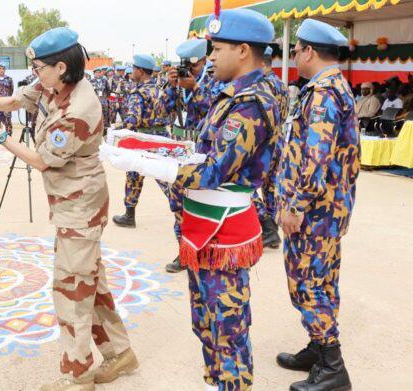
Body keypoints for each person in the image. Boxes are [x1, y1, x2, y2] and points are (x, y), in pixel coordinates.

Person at [102, 9, 280, 390]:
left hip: (223, 227)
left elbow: (213, 169)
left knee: (226, 328)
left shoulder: (251, 102)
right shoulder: (233, 92)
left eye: (217, 49)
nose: (210, 58)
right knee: (206, 322)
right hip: (204, 224)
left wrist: (144, 162)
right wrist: (155, 148)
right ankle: (215, 382)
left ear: (244, 51)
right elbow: (201, 149)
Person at [0, 27, 138, 391]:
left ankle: (78, 376)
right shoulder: (55, 84)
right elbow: (19, 100)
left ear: (61, 67)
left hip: (80, 203)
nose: (36, 74)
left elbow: (43, 161)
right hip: (70, 203)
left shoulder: (78, 109)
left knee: (72, 291)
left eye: (40, 68)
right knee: (92, 282)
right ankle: (120, 353)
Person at [275, 18, 358, 391]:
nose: (294, 56)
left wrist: (296, 207)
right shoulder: (332, 87)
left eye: (295, 50)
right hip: (327, 209)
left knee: (307, 283)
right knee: (323, 281)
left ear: (309, 50)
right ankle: (318, 346)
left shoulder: (323, 93)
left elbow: (315, 158)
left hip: (314, 211)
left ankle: (332, 366)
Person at [163, 38, 217, 273]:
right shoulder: (179, 83)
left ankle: (205, 250)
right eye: (185, 66)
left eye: (193, 67)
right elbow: (162, 109)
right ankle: (184, 252)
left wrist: (194, 88)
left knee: (203, 202)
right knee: (178, 203)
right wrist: (170, 86)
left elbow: (214, 109)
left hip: (204, 150)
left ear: (203, 61)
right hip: (182, 148)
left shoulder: (215, 79)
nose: (189, 71)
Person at [111, 54, 172, 230]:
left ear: (140, 71)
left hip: (143, 141)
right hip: (161, 138)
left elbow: (133, 121)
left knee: (133, 176)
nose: (132, 73)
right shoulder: (161, 90)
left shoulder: (138, 92)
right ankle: (183, 210)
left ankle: (129, 216)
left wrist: (118, 129)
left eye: (134, 69)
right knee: (165, 177)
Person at [251, 45, 289, 251]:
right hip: (279, 140)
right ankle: (271, 230)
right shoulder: (281, 84)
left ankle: (267, 228)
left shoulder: (261, 84)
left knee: (246, 185)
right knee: (271, 188)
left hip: (262, 142)